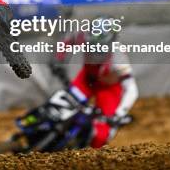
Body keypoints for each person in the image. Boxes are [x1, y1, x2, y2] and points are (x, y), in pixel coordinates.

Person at [50, 18, 139, 148]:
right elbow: (66, 43)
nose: (95, 50)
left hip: (108, 88)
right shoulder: (83, 36)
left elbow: (132, 89)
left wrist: (119, 114)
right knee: (62, 103)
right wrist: (58, 60)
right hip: (87, 79)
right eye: (92, 45)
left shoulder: (119, 56)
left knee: (101, 134)